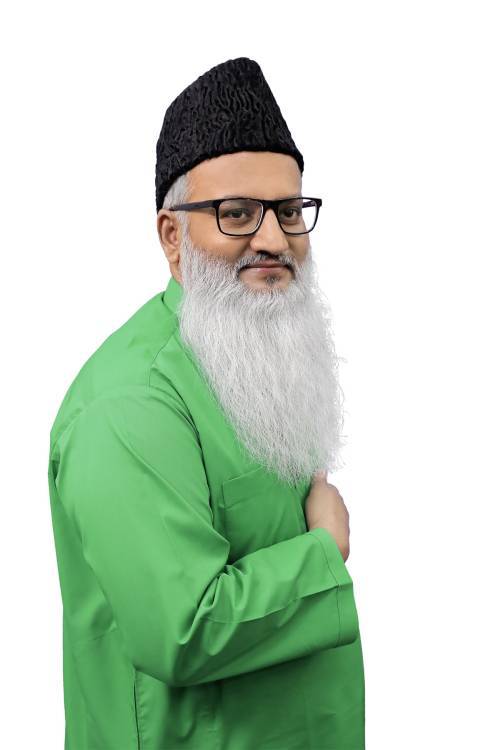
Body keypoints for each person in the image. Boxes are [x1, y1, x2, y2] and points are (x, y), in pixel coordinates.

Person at [48, 56, 365, 749]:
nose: (274, 240)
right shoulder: (128, 403)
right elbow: (181, 628)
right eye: (236, 214)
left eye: (288, 211)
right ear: (173, 237)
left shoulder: (253, 356)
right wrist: (324, 550)